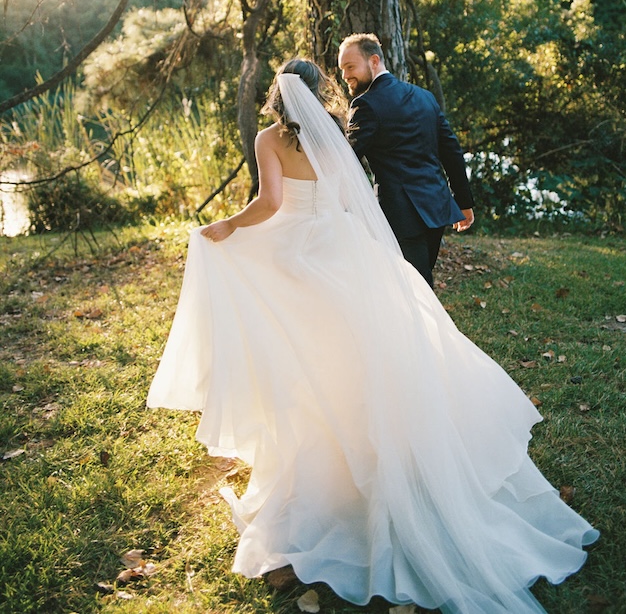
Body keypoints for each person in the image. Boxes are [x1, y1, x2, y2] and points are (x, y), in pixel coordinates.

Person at [147, 58, 598, 614]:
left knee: (308, 355)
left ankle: (325, 462)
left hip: (297, 254)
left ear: (277, 95)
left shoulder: (270, 138)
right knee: (359, 353)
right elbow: (343, 201)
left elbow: (268, 204)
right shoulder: (335, 133)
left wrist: (225, 228)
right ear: (319, 93)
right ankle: (369, 449)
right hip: (342, 248)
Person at [338, 33, 474, 286]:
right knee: (417, 285)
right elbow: (451, 151)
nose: (345, 75)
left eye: (350, 67)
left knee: (415, 290)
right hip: (436, 206)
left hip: (398, 215)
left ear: (374, 61)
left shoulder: (365, 105)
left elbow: (345, 158)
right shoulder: (425, 97)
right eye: (342, 68)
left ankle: (427, 327)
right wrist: (463, 202)